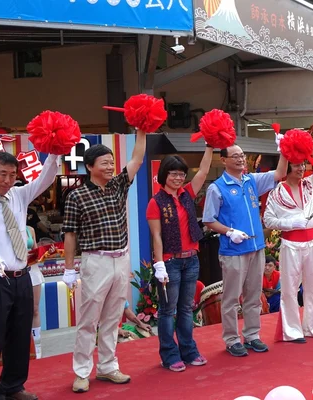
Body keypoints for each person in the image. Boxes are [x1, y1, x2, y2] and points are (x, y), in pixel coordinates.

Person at [62, 128, 146, 393]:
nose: (111, 166)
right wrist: (68, 269)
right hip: (94, 261)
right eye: (105, 162)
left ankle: (108, 367)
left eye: (112, 162)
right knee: (88, 320)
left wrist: (141, 131)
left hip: (120, 259)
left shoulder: (119, 185)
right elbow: (70, 235)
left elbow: (137, 159)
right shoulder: (76, 196)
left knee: (112, 318)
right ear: (89, 166)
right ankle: (82, 372)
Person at [0, 151, 59, 400]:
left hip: (22, 276)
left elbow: (45, 179)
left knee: (19, 333)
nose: (8, 180)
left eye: (13, 175)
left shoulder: (19, 195)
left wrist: (54, 153)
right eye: (3, 174)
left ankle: (14, 385)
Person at [202, 144, 287, 357]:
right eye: (236, 156)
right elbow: (208, 220)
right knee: (231, 298)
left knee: (253, 295)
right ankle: (231, 339)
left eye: (242, 155)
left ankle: (252, 335)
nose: (241, 159)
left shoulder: (251, 181)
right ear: (223, 160)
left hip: (256, 247)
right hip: (233, 250)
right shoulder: (217, 188)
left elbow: (280, 173)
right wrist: (229, 231)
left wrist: (284, 151)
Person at [146, 146, 213, 372]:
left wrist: (210, 146)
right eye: (173, 173)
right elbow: (156, 236)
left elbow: (203, 172)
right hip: (170, 262)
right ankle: (169, 355)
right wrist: (159, 265)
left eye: (182, 174)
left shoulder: (187, 194)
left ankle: (189, 351)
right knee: (167, 310)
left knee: (186, 308)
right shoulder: (156, 202)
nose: (178, 178)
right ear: (164, 175)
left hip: (191, 260)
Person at [263, 147, 313, 343]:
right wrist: (290, 223)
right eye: (296, 165)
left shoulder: (310, 185)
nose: (301, 168)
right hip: (291, 243)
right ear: (287, 167)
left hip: (312, 242)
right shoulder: (276, 192)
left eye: (303, 164)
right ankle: (292, 331)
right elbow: (268, 220)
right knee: (289, 289)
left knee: (312, 287)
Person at [26, 225, 45, 360]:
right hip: (13, 272)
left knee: (35, 309)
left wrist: (44, 252)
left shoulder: (30, 229)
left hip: (32, 271)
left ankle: (37, 346)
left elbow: (37, 252)